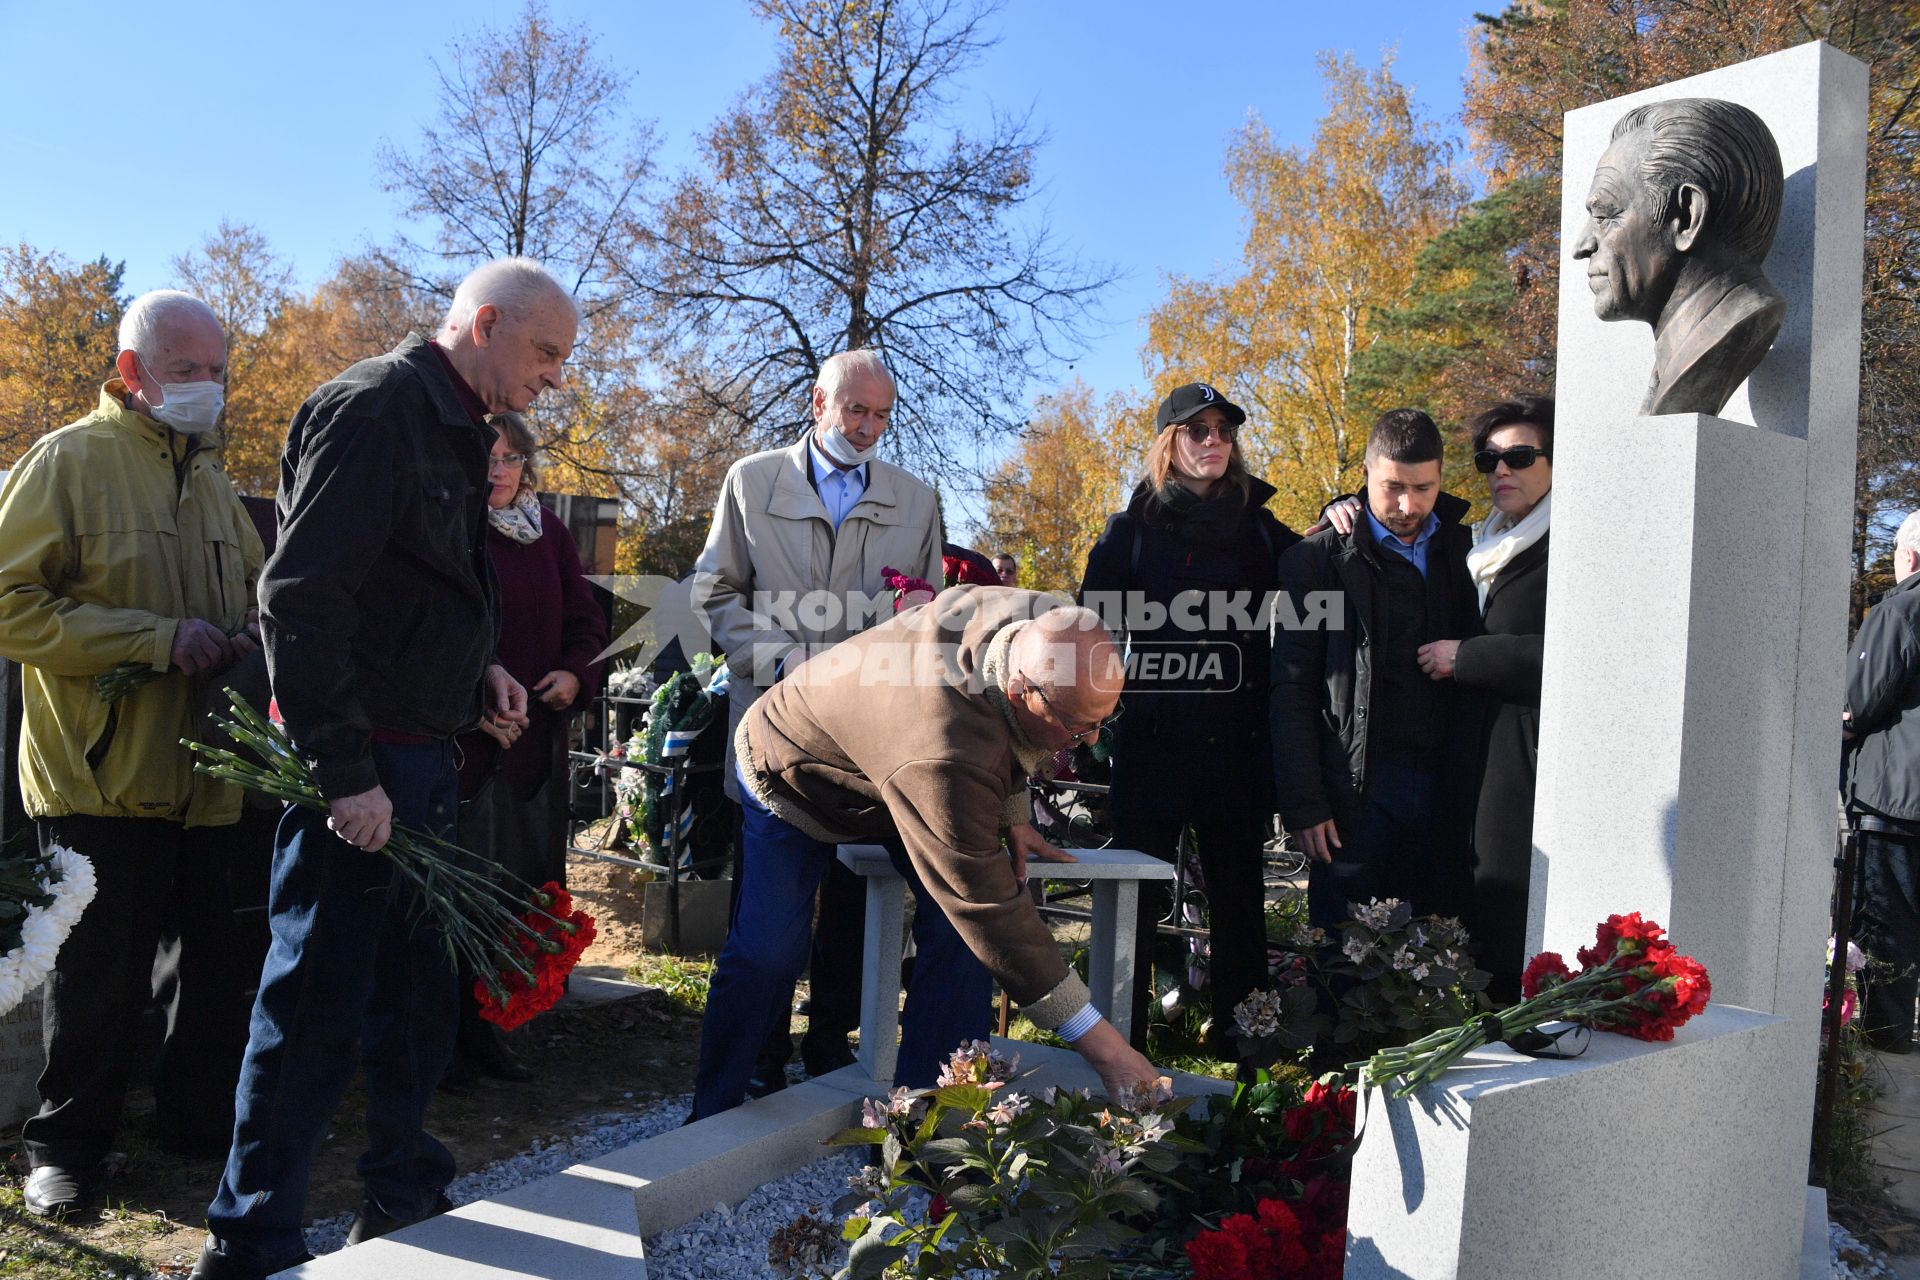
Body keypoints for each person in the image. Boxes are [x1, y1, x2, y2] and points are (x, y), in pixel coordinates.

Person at [193, 258, 577, 1280]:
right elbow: (304, 596)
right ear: (485, 323)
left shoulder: (458, 428)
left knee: (413, 995)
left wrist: (482, 671)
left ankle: (403, 1192)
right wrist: (342, 769)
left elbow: (421, 587)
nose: (552, 378)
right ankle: (250, 1236)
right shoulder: (374, 409)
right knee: (315, 997)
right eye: (544, 352)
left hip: (427, 753)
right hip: (362, 772)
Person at [693, 590, 1159, 1119]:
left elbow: (998, 726)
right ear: (1021, 689)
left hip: (892, 759)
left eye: (1104, 719)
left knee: (961, 943)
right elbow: (991, 911)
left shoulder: (1043, 619)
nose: (1091, 737)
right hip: (793, 768)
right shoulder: (942, 754)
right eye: (1076, 728)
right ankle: (711, 1112)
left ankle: (924, 1120)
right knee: (768, 950)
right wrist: (1106, 1048)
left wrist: (1013, 814)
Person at [0, 291, 264, 1218]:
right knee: (97, 976)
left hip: (212, 776)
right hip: (99, 776)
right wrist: (155, 639)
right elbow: (10, 605)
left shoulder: (216, 483)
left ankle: (194, 1126)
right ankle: (66, 1149)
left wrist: (240, 637)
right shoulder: (67, 461)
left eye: (216, 371)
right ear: (131, 373)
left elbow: (255, 598)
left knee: (218, 961)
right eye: (187, 371)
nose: (208, 388)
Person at [693, 348, 957, 1087]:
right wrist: (777, 654)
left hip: (870, 742)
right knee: (767, 920)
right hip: (775, 735)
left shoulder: (916, 498)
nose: (869, 428)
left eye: (881, 415)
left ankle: (829, 1044)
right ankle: (753, 1060)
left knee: (850, 904)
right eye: (855, 411)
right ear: (818, 402)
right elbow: (711, 592)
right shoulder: (753, 480)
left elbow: (928, 614)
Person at [1079, 382, 1299, 1056]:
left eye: (1223, 431)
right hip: (1153, 745)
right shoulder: (1130, 533)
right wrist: (1091, 721)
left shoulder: (1262, 530)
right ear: (1168, 445)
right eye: (1196, 430)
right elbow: (1090, 636)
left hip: (1237, 747)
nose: (1213, 442)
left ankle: (1247, 1040)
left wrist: (1345, 513)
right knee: (1132, 905)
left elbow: (1318, 578)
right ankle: (1116, 1036)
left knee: (1240, 903)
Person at [1271, 409, 1480, 931]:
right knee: (1342, 963)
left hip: (1447, 792)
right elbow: (1291, 686)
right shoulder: (1315, 559)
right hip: (1353, 798)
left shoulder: (1469, 551)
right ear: (1364, 475)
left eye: (1424, 488)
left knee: (1431, 964)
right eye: (1392, 487)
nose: (1408, 505)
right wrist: (1304, 804)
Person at [449, 411, 608, 1083]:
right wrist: (471, 701)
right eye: (486, 457)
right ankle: (444, 1039)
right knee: (457, 898)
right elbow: (437, 633)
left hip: (535, 753)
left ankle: (496, 1029)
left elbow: (586, 621)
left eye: (511, 458)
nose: (498, 470)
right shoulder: (449, 532)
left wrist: (576, 673)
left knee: (519, 895)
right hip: (468, 749)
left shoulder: (551, 537)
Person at [1408, 397, 1554, 1002]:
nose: (1501, 470)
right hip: (1461, 761)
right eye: (1488, 458)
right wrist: (1340, 506)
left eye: (1519, 456)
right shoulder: (1478, 544)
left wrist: (1468, 658)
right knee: (1453, 915)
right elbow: (1399, 498)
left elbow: (1582, 649)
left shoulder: (1570, 546)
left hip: (1524, 764)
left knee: (1502, 917)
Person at [1574, 97, 1786, 417]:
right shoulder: (1669, 360)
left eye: (1605, 215)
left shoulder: (1719, 339)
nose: (1581, 246)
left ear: (1687, 217)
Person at [1842, 511, 1920, 1053]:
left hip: (1895, 800)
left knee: (1887, 925)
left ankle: (1883, 1041)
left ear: (1909, 555)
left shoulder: (1901, 608)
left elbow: (1856, 702)